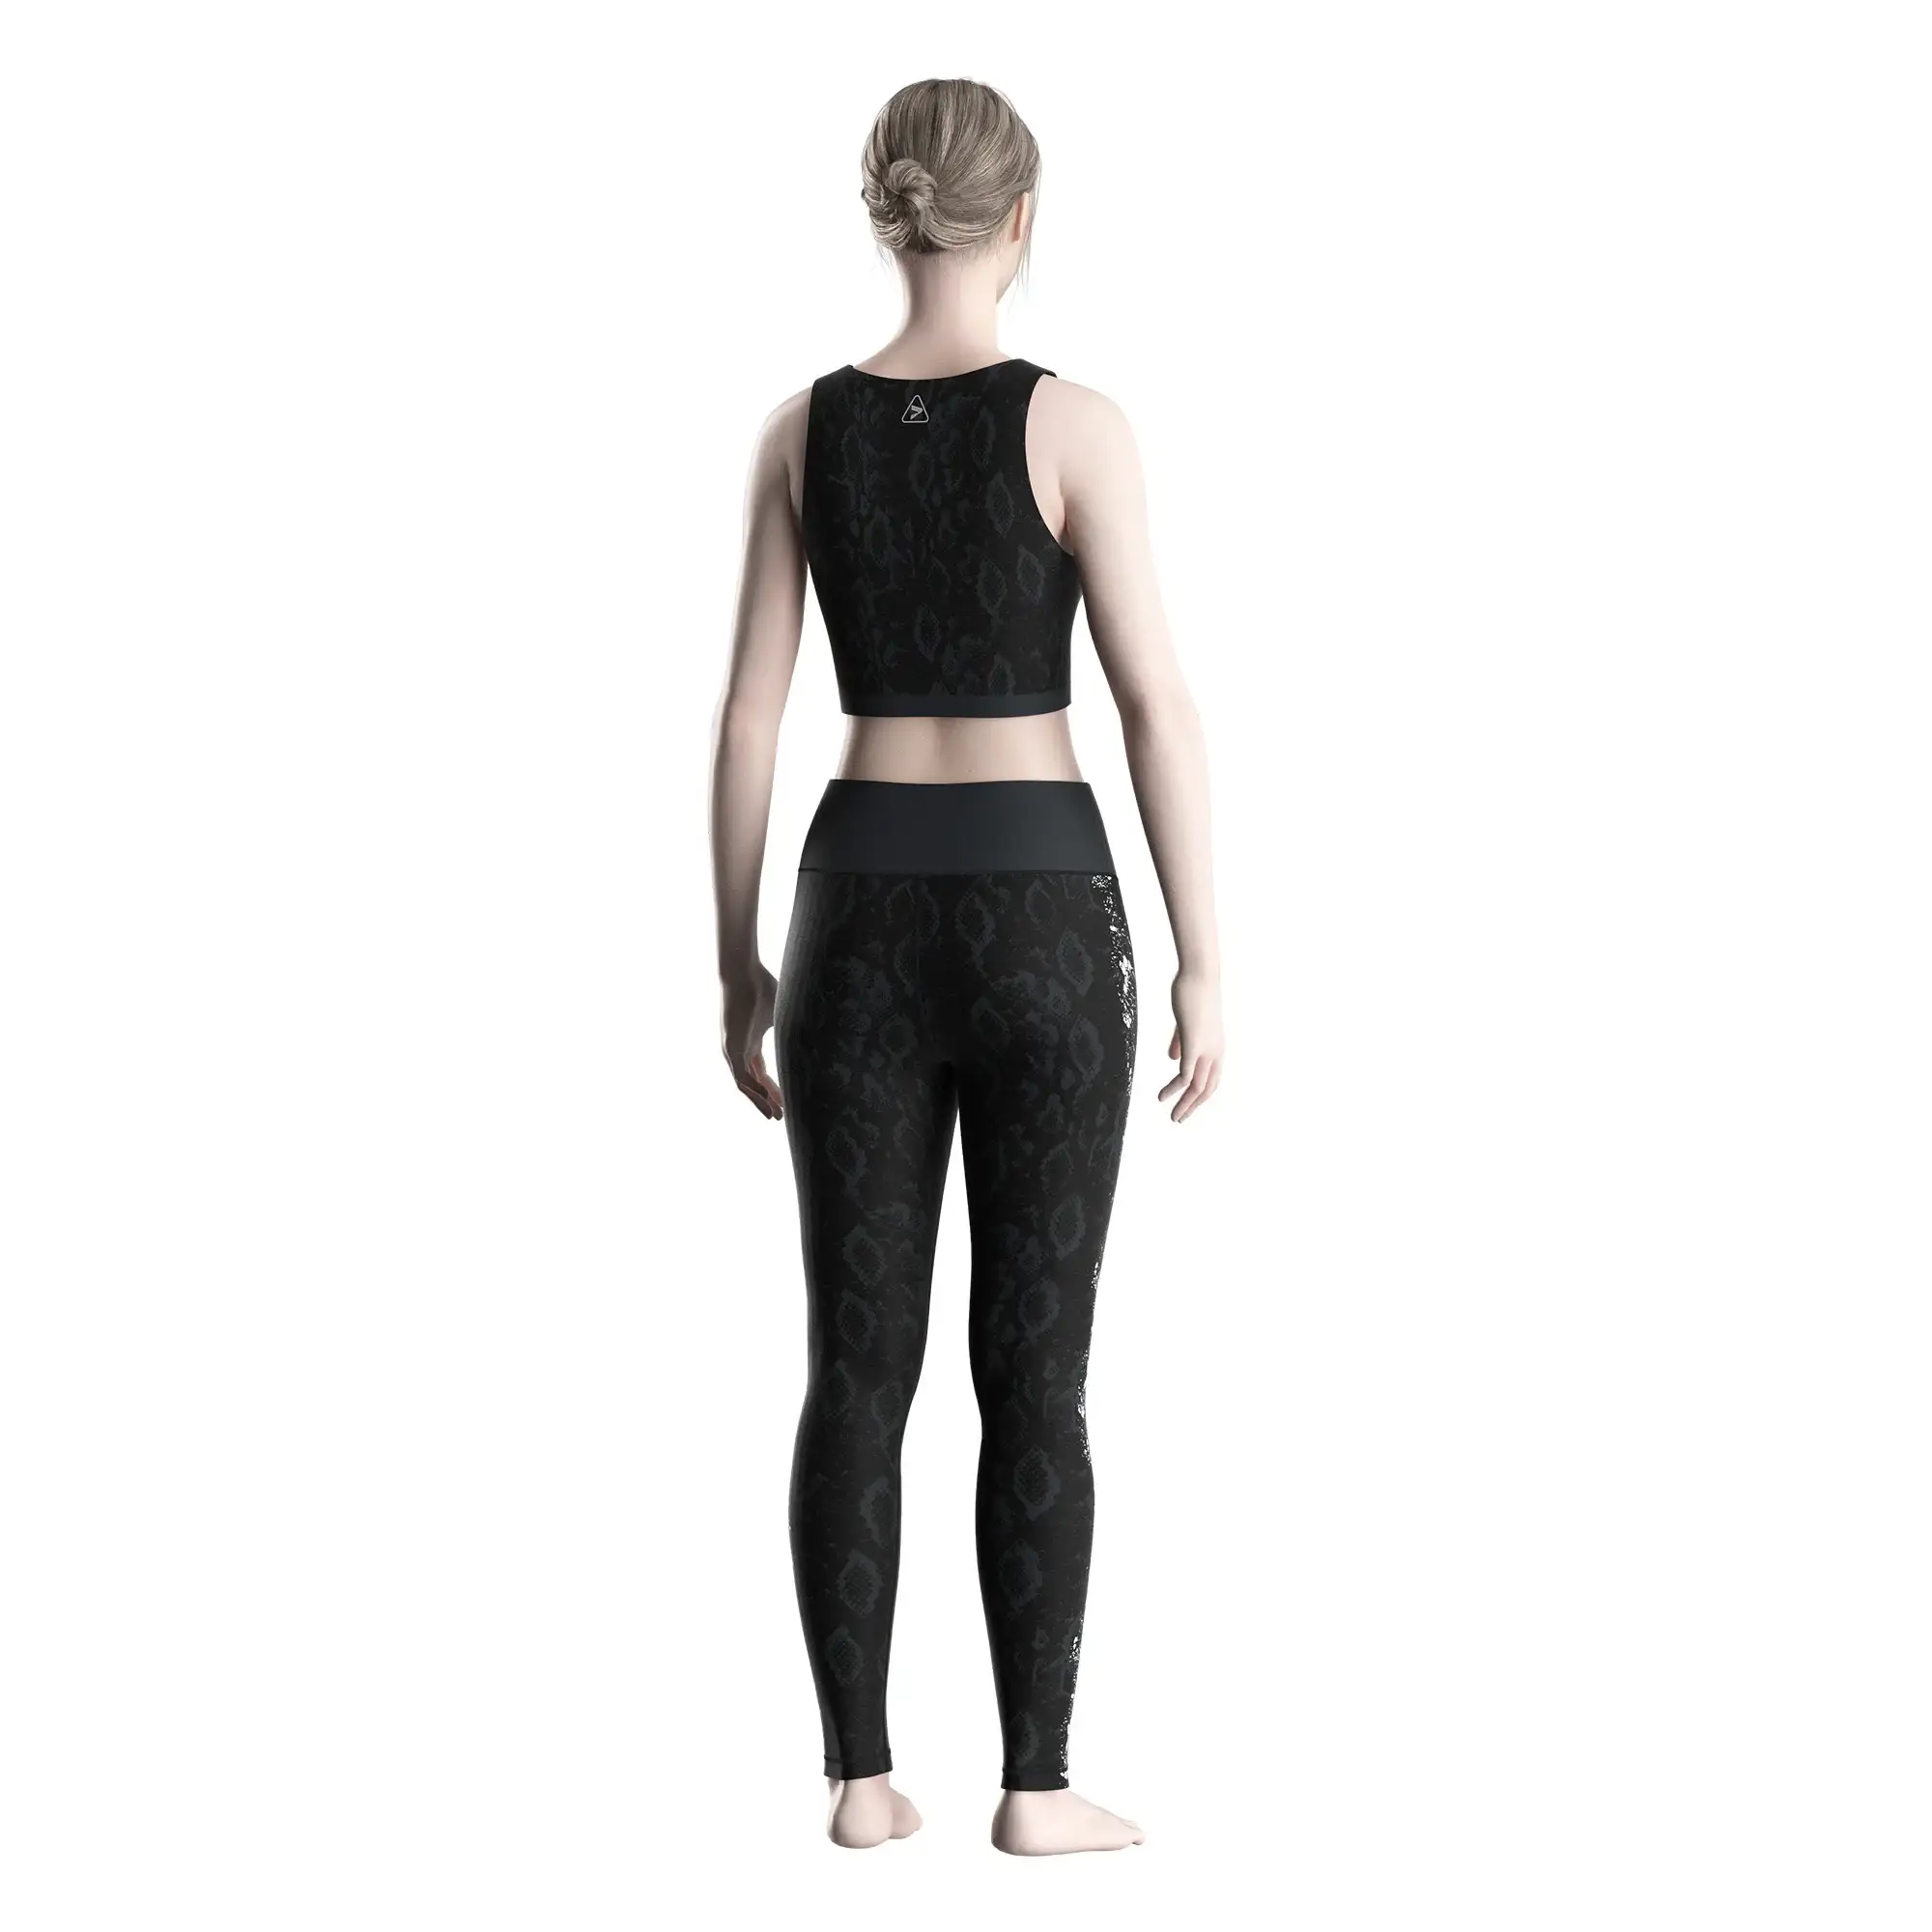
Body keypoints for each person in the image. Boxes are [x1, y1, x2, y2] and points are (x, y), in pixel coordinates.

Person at [708, 78, 1222, 1856]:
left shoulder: (801, 433)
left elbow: (750, 716)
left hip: (852, 916)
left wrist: (734, 960)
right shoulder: (1079, 427)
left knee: (855, 1368)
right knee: (1037, 1377)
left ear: (885, 213)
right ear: (1023, 220)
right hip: (1041, 921)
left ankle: (859, 1781)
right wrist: (1207, 959)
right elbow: (1154, 705)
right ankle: (1037, 1785)